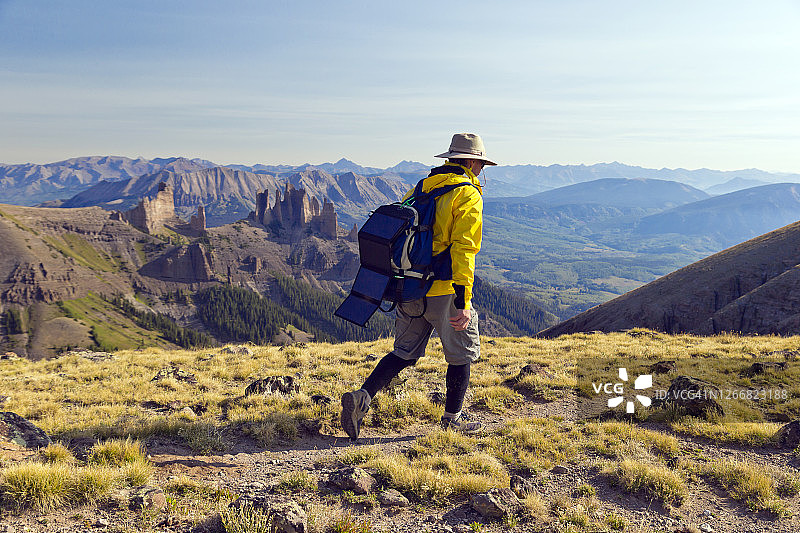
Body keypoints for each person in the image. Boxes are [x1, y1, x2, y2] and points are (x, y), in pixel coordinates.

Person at [341, 132, 496, 440]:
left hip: (409, 287)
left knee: (404, 352)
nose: (480, 170)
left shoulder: (422, 187)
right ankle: (453, 420)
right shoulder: (467, 194)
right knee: (461, 355)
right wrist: (464, 301)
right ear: (469, 161)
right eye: (479, 163)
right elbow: (464, 249)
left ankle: (362, 398)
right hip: (444, 291)